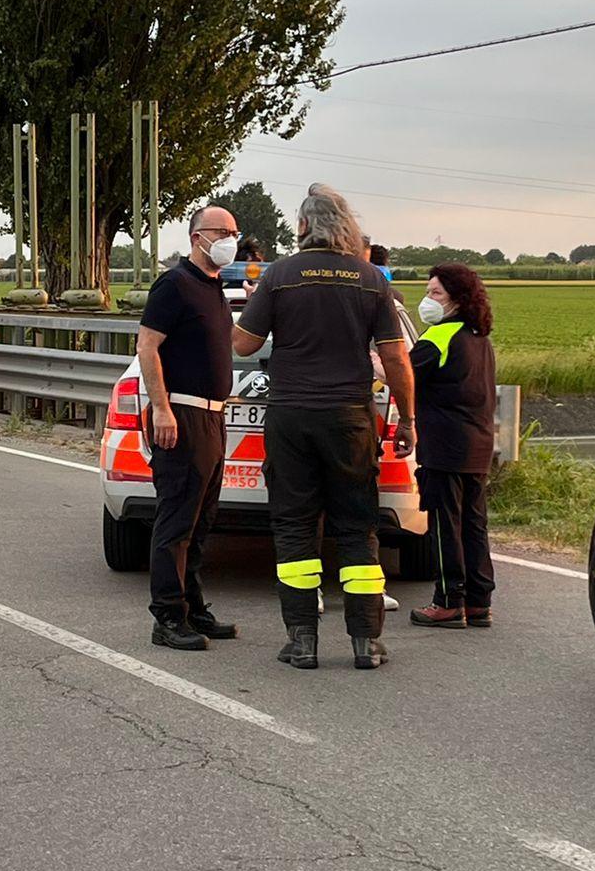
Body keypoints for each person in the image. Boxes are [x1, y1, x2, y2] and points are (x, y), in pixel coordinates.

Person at [233, 184, 415, 671]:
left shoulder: (280, 275)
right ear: (347, 227)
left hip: (290, 417)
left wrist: (248, 307)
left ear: (304, 227)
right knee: (357, 529)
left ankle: (302, 641)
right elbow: (396, 357)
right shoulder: (371, 279)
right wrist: (409, 418)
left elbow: (245, 345)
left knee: (294, 529)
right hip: (349, 419)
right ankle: (366, 643)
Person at [135, 206, 242, 651]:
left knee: (201, 522)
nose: (231, 239)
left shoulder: (213, 287)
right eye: (224, 232)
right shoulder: (175, 284)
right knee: (177, 520)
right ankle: (167, 616)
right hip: (181, 414)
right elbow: (147, 346)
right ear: (198, 236)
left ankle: (194, 607)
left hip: (213, 417)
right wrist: (162, 408)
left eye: (235, 232)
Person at [407, 264, 498, 630]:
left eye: (435, 293)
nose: (427, 300)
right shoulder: (479, 337)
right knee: (474, 524)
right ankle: (479, 601)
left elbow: (404, 373)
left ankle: (447, 600)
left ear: (457, 299)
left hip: (445, 444)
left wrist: (377, 366)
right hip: (477, 444)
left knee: (446, 524)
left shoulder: (439, 336)